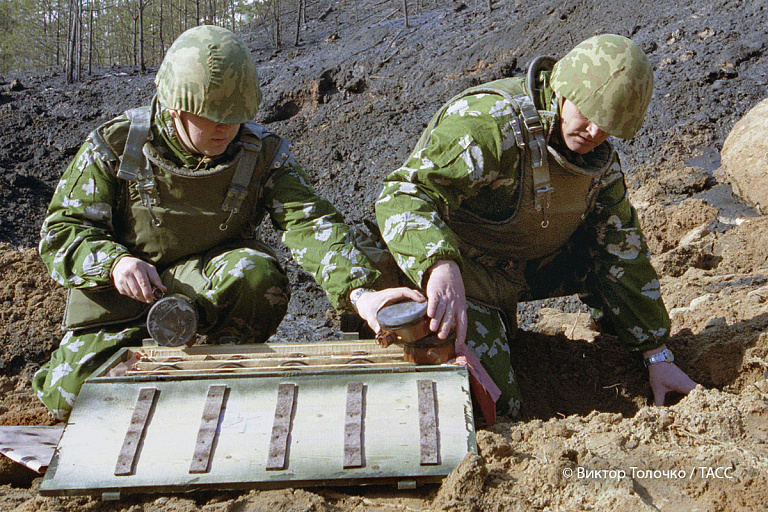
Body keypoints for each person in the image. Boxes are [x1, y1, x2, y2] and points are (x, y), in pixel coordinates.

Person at [34, 25, 419, 420]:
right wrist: (114, 263)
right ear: (174, 107)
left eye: (234, 117)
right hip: (125, 299)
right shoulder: (116, 147)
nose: (224, 128)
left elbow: (311, 223)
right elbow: (63, 232)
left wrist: (362, 293)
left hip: (208, 289)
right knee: (77, 401)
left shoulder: (262, 154)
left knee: (256, 274)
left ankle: (217, 374)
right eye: (209, 117)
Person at [366, 34, 698, 417]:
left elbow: (622, 249)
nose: (594, 133)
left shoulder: (597, 162)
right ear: (562, 89)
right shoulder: (489, 126)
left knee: (603, 247)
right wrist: (439, 263)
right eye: (588, 115)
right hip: (462, 277)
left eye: (608, 127)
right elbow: (401, 194)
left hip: (520, 266)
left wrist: (657, 354)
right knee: (499, 407)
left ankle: (619, 349)